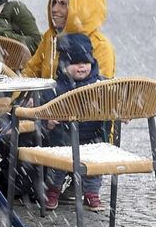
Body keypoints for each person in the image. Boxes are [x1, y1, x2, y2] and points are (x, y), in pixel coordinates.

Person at [42, 34, 107, 212]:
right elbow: (44, 106)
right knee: (58, 165)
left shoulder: (100, 84)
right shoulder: (56, 87)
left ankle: (92, 194)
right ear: (64, 65)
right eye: (75, 62)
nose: (81, 66)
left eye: (85, 62)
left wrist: (121, 112)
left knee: (93, 165)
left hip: (91, 135)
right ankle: (53, 190)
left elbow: (115, 99)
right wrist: (48, 121)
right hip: (64, 135)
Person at [22, 0, 115, 79]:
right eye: (54, 2)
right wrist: (14, 91)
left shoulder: (101, 46)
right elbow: (31, 71)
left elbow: (100, 91)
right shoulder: (51, 36)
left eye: (63, 4)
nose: (54, 9)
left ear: (81, 10)